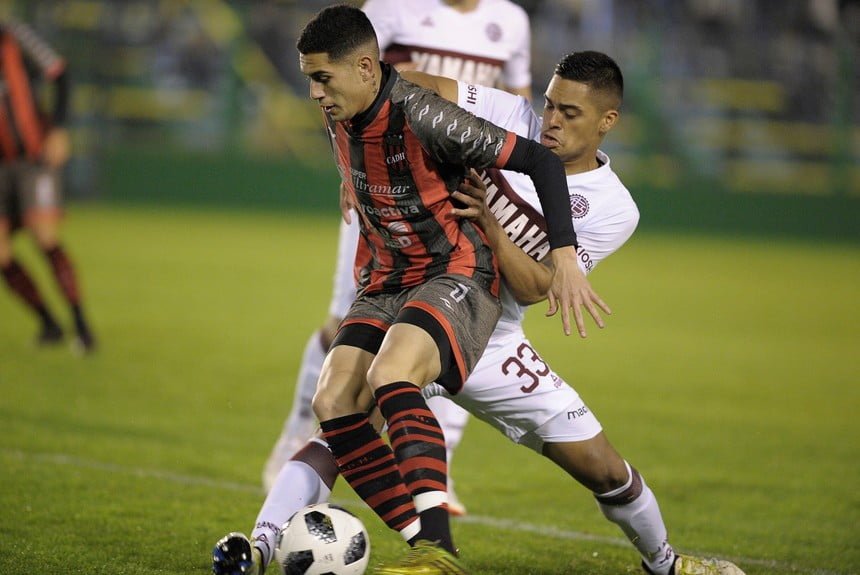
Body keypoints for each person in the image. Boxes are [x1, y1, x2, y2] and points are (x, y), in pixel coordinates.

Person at [213, 51, 746, 575]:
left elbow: (539, 286)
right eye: (550, 104)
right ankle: (264, 544)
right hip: (423, 295)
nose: (551, 121)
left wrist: (491, 226)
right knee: (341, 417)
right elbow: (415, 86)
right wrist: (362, 132)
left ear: (608, 121)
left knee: (604, 468)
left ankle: (666, 562)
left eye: (570, 113)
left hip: (495, 334)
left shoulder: (614, 207)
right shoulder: (509, 115)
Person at [226, 5, 604, 575]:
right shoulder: (340, 111)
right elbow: (351, 148)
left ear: (364, 69)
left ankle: (436, 545)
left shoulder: (427, 115)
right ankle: (418, 541)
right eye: (309, 78)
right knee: (332, 404)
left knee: (391, 374)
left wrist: (565, 256)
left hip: (454, 269)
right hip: (387, 274)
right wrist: (349, 184)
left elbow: (541, 164)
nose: (313, 92)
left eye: (321, 78)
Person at [261, 0, 536, 513]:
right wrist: (351, 172)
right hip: (381, 192)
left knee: (452, 332)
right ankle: (298, 435)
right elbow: (349, 85)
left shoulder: (512, 20)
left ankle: (437, 469)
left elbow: (518, 103)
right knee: (343, 324)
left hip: (447, 182)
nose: (313, 89)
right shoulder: (392, 7)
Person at [0, 20, 96, 353]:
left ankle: (82, 326)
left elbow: (60, 73)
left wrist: (58, 128)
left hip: (33, 158)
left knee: (45, 237)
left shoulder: (14, 36)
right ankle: (48, 324)